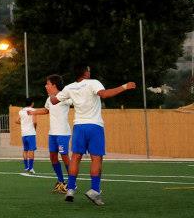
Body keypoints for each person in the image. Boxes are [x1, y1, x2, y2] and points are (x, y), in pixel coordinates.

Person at [48, 65, 135, 205]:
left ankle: (70, 189)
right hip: (94, 126)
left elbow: (53, 101)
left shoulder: (69, 87)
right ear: (85, 73)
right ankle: (94, 190)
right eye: (88, 70)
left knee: (76, 157)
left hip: (79, 127)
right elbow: (104, 94)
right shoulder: (93, 82)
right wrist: (124, 86)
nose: (90, 72)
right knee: (96, 158)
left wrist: (52, 91)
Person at [27, 75, 72, 193]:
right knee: (52, 157)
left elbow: (75, 102)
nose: (45, 86)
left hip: (63, 133)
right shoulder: (49, 99)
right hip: (52, 133)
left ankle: (72, 183)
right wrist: (34, 112)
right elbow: (46, 110)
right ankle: (61, 182)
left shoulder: (65, 96)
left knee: (64, 156)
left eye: (47, 84)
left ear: (54, 85)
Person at [19, 97, 37, 175]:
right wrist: (34, 128)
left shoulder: (21, 111)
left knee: (25, 150)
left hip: (24, 133)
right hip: (31, 132)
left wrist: (24, 123)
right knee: (31, 150)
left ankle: (26, 167)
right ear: (32, 103)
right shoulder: (33, 110)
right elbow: (35, 122)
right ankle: (31, 168)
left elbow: (17, 121)